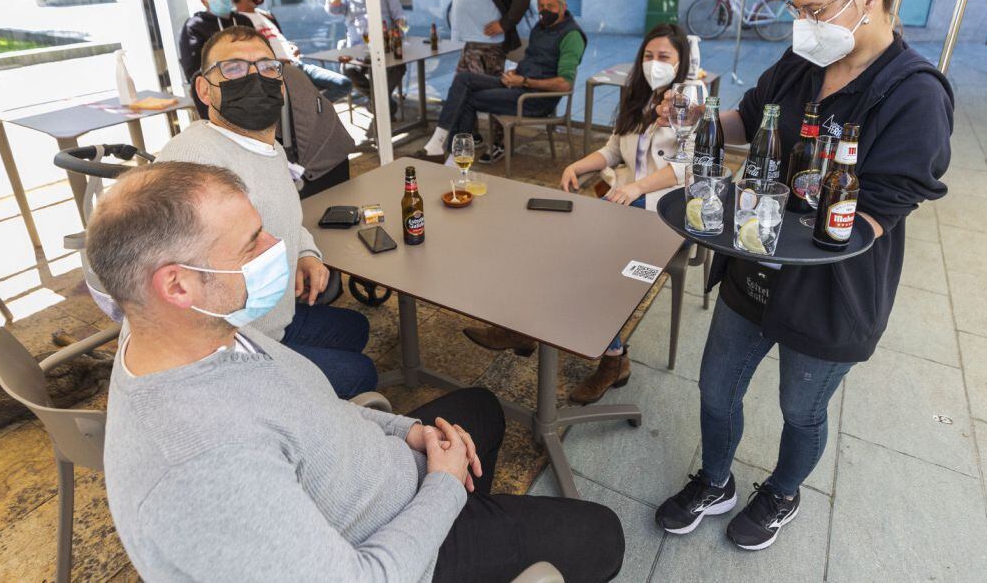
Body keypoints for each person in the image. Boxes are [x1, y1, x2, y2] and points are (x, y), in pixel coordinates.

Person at [90, 161, 626, 582]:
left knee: (482, 407)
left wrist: (407, 431)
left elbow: (316, 411)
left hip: (382, 475)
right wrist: (443, 488)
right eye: (251, 242)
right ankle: (467, 533)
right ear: (178, 285)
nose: (276, 248)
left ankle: (472, 522)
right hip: (398, 556)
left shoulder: (196, 328)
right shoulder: (204, 469)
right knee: (603, 535)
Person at [653, 0, 953, 551]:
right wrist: (697, 123)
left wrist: (811, 214)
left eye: (814, 11)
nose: (802, 25)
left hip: (829, 292)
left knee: (801, 409)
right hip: (754, 264)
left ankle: (783, 491)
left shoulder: (914, 95)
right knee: (715, 387)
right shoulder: (800, 65)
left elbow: (880, 209)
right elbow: (751, 117)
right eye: (796, 9)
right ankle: (714, 478)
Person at [463, 24, 690, 403]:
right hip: (622, 207)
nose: (655, 64)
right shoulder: (640, 100)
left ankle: (599, 353)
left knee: (583, 260)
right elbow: (613, 150)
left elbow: (690, 167)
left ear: (681, 62)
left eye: (664, 57)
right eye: (649, 56)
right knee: (552, 239)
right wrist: (578, 166)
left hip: (661, 213)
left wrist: (636, 187)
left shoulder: (688, 105)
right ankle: (530, 328)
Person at [157, 25, 376, 398]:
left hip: (273, 320)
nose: (255, 77)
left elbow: (283, 214)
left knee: (356, 328)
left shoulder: (266, 148)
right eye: (234, 69)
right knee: (362, 374)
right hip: (231, 351)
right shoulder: (194, 161)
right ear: (204, 90)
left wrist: (306, 252)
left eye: (266, 67)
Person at [418, 0, 586, 165]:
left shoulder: (571, 36)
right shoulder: (541, 27)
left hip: (535, 99)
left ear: (563, 7)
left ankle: (454, 157)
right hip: (519, 85)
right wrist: (516, 73)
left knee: (468, 98)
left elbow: (564, 85)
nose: (544, 11)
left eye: (550, 7)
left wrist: (525, 81)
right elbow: (534, 60)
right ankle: (440, 139)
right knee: (463, 78)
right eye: (541, 6)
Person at [230, 0, 352, 102]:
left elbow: (276, 39)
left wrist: (291, 46)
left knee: (343, 84)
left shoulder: (266, 15)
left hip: (297, 64)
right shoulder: (236, 21)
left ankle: (310, 110)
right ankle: (307, 111)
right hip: (276, 72)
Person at [326, 0, 408, 116]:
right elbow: (331, 7)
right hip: (358, 51)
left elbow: (402, 20)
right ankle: (384, 103)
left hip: (385, 48)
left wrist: (399, 31)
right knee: (347, 69)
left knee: (399, 66)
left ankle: (375, 103)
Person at [177, 0, 253, 90]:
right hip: (217, 87)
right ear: (204, 1)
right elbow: (192, 68)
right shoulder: (194, 26)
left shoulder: (243, 21)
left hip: (249, 82)